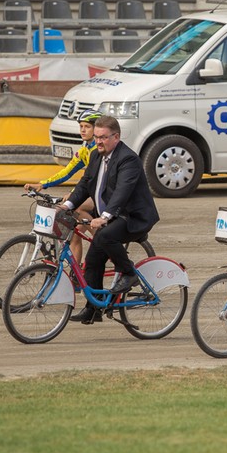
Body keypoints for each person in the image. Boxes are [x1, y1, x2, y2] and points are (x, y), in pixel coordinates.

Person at [60, 116, 160, 324]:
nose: (98, 142)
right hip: (114, 215)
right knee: (93, 261)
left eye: (103, 137)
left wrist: (104, 217)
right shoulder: (96, 156)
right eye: (96, 137)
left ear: (116, 137)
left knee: (105, 236)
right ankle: (93, 309)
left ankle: (129, 273)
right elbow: (84, 184)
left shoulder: (128, 159)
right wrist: (67, 206)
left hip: (133, 217)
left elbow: (122, 192)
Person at [24, 109, 100, 264]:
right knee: (74, 234)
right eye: (81, 126)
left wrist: (73, 193)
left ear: (96, 129)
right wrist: (42, 184)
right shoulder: (85, 149)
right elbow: (67, 172)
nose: (83, 130)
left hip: (102, 193)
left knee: (77, 207)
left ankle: (104, 241)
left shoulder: (98, 150)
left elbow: (92, 179)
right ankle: (75, 274)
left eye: (87, 126)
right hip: (92, 192)